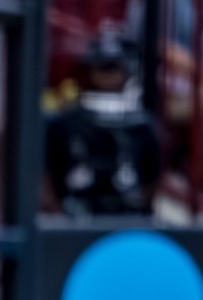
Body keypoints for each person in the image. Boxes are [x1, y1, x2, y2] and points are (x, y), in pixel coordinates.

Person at [44, 27, 161, 217]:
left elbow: (151, 180)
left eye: (114, 67)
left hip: (126, 218)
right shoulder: (65, 123)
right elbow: (47, 175)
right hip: (75, 214)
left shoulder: (142, 126)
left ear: (127, 69)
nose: (108, 76)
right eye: (102, 67)